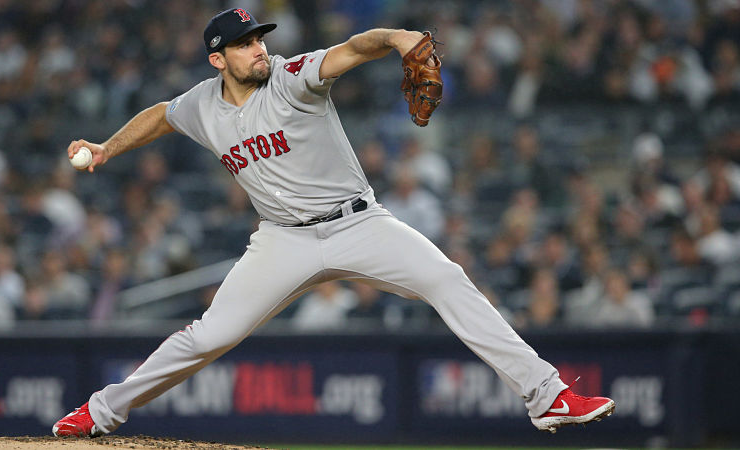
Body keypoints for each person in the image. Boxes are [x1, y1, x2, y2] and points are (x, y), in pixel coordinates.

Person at [52, 8, 614, 438]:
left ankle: (546, 395)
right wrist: (106, 148)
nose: (258, 49)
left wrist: (395, 39)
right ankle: (100, 412)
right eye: (244, 45)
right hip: (281, 241)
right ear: (217, 60)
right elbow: (159, 117)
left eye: (259, 38)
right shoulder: (202, 103)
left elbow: (352, 49)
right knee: (209, 336)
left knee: (447, 279)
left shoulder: (293, 77)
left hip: (358, 224)